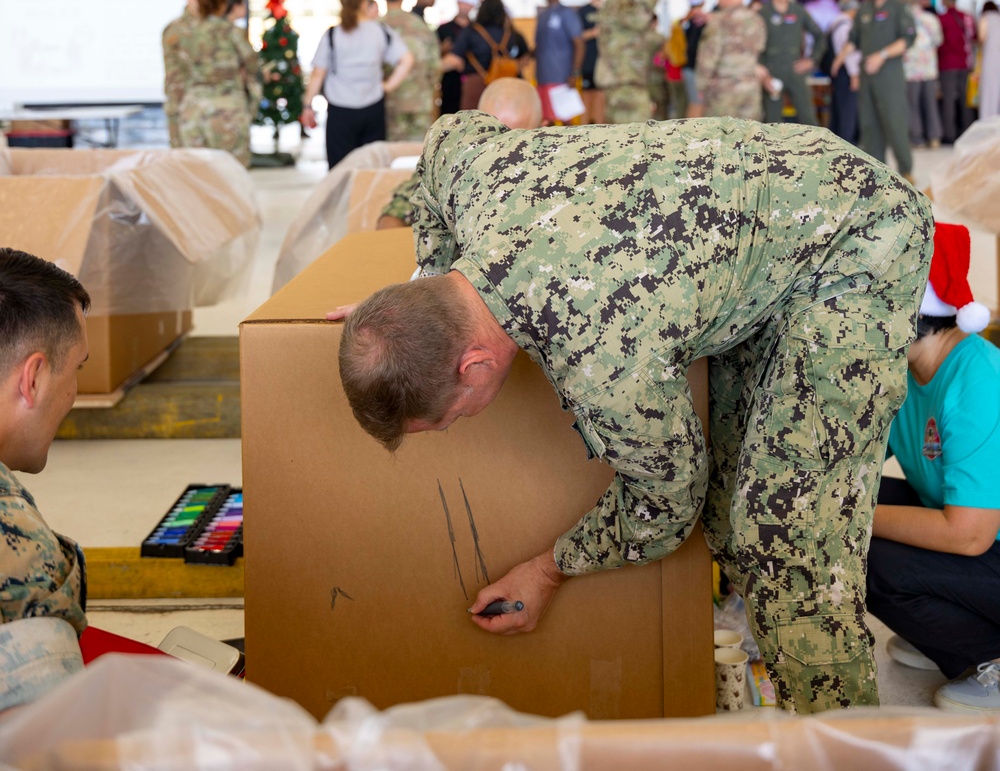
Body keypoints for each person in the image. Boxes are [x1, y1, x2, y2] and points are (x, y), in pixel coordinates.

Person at [337, 111, 933, 714]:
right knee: (730, 516)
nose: (458, 425)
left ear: (473, 366)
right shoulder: (471, 173)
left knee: (786, 541)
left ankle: (845, 741)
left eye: (453, 417)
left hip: (856, 240)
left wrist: (550, 568)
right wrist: (425, 283)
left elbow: (667, 503)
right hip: (771, 204)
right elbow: (447, 134)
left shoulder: (602, 360)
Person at [866, 222, 1000, 713]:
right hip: (985, 540)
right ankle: (949, 630)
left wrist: (852, 517)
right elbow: (856, 465)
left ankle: (990, 653)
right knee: (860, 500)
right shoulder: (906, 373)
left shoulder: (978, 381)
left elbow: (970, 535)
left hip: (985, 538)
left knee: (870, 557)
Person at [0, 247, 91, 707]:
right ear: (32, 378)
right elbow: (54, 734)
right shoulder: (21, 547)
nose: (74, 392)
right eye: (77, 368)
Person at [376, 78, 543, 230]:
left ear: (542, 129)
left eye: (515, 139)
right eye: (493, 136)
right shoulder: (452, 162)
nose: (503, 151)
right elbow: (393, 216)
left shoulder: (552, 170)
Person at [301, 0, 414, 169]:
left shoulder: (332, 35)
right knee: (372, 167)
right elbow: (407, 59)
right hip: (373, 106)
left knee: (340, 170)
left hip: (340, 110)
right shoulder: (380, 31)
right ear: (363, 2)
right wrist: (388, 86)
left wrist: (307, 106)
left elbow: (318, 74)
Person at [165, 0, 262, 168]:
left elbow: (177, 73)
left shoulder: (181, 33)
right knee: (232, 171)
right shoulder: (232, 32)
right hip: (228, 110)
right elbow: (252, 64)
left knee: (195, 172)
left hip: (193, 109)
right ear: (223, 4)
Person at [832, 0, 916, 180]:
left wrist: (882, 55)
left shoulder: (898, 8)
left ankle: (906, 169)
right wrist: (840, 58)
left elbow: (907, 40)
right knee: (869, 124)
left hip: (889, 74)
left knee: (895, 121)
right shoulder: (864, 10)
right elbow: (854, 40)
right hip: (867, 75)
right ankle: (877, 173)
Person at [594, 0, 663, 123]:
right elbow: (639, 21)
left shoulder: (627, 2)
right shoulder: (619, 1)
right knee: (637, 132)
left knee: (628, 133)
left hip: (627, 78)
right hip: (623, 79)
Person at [695, 0, 767, 119]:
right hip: (750, 90)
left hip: (723, 92)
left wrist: (701, 86)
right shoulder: (757, 20)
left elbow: (707, 59)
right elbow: (759, 48)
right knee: (748, 132)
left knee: (720, 132)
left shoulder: (718, 22)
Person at [441, 0, 529, 112]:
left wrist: (432, 68)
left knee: (473, 120)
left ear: (481, 11)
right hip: (505, 85)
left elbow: (454, 60)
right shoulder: (512, 34)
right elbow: (525, 57)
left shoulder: (471, 31)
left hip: (476, 84)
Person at [758, 0, 824, 125]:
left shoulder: (798, 11)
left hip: (795, 69)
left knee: (808, 117)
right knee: (772, 121)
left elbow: (819, 36)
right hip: (771, 71)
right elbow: (754, 45)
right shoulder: (763, 13)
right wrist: (762, 73)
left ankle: (812, 142)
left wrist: (812, 60)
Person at [381, 0, 440, 142]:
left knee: (393, 152)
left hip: (390, 102)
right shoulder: (419, 25)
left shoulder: (378, 27)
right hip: (420, 100)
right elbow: (435, 65)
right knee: (419, 150)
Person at [161, 0, 213, 148]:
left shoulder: (219, 28)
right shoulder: (176, 30)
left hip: (215, 110)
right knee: (185, 159)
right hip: (183, 105)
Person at [533, 0, 584, 124]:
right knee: (546, 121)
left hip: (561, 77)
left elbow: (579, 44)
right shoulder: (542, 15)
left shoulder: (566, 13)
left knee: (566, 121)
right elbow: (539, 46)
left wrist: (575, 73)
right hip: (543, 76)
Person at [904, 0, 943, 149]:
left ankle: (917, 138)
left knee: (912, 105)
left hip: (910, 69)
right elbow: (939, 40)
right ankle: (934, 137)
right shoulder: (931, 19)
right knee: (930, 104)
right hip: (929, 68)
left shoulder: (904, 20)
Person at [938, 0, 976, 144]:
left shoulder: (942, 19)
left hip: (947, 64)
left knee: (948, 101)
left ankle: (949, 134)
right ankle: (968, 132)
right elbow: (974, 37)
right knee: (965, 100)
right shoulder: (966, 17)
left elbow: (939, 43)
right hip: (965, 63)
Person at [437, 0, 479, 117]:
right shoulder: (443, 29)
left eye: (468, 4)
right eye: (463, 3)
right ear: (458, 3)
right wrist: (443, 50)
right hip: (450, 81)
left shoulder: (477, 30)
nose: (465, 7)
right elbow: (434, 55)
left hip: (472, 80)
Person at [828, 0, 861, 144]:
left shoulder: (834, 23)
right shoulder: (846, 26)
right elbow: (848, 52)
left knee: (839, 108)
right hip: (846, 71)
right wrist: (854, 74)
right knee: (848, 110)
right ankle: (847, 142)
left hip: (840, 71)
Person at [577, 0, 603, 123]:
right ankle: (584, 126)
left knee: (601, 96)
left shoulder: (608, 10)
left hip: (604, 61)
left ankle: (601, 125)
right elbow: (578, 35)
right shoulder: (584, 11)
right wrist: (594, 32)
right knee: (587, 95)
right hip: (589, 61)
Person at [681, 0, 708, 114]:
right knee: (697, 104)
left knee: (695, 103)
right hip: (694, 68)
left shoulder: (685, 20)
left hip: (688, 67)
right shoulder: (697, 21)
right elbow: (692, 47)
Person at [978, 1, 1000, 121]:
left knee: (989, 91)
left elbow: (981, 38)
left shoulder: (985, 18)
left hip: (990, 58)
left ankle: (987, 120)